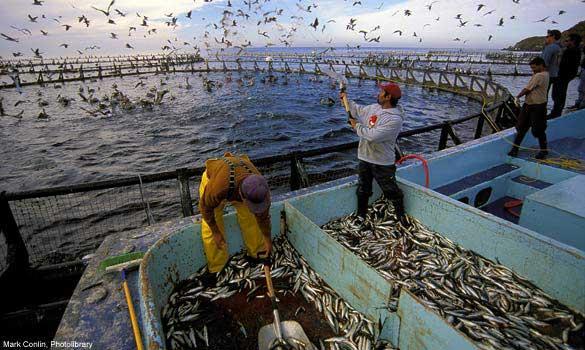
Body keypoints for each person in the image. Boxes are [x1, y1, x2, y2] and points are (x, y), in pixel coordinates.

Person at [198, 153, 272, 285]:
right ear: (242, 197)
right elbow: (205, 209)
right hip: (216, 177)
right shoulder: (217, 188)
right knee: (210, 227)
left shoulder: (261, 190)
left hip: (241, 175)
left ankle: (256, 253)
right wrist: (216, 232)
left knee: (251, 219)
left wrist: (267, 240)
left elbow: (263, 218)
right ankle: (216, 268)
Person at [340, 82, 406, 224]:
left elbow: (373, 136)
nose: (378, 94)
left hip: (383, 162)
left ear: (388, 97)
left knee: (391, 191)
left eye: (382, 92)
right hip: (365, 157)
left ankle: (401, 217)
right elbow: (358, 111)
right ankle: (361, 215)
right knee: (363, 189)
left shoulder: (395, 119)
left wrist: (355, 125)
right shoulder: (375, 107)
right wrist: (346, 101)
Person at [508, 57, 550, 159]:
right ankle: (515, 149)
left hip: (536, 106)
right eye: (532, 68)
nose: (533, 70)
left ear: (541, 65)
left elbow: (527, 89)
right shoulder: (546, 74)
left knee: (537, 129)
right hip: (532, 104)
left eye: (534, 68)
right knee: (522, 128)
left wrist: (517, 97)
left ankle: (543, 151)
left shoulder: (539, 76)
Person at [550, 33, 582, 118]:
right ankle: (556, 112)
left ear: (573, 42)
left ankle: (556, 113)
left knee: (558, 94)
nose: (565, 42)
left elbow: (562, 64)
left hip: (563, 75)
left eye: (567, 40)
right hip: (565, 75)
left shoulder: (571, 51)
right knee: (558, 94)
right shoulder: (574, 50)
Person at [541, 29, 562, 99]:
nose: (546, 38)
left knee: (542, 94)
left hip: (547, 74)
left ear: (553, 36)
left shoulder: (551, 47)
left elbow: (544, 62)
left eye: (547, 36)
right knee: (556, 95)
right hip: (556, 74)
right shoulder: (559, 47)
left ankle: (542, 109)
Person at [568, 43, 585, 110]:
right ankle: (579, 103)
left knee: (582, 88)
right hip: (583, 70)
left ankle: (582, 105)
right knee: (580, 88)